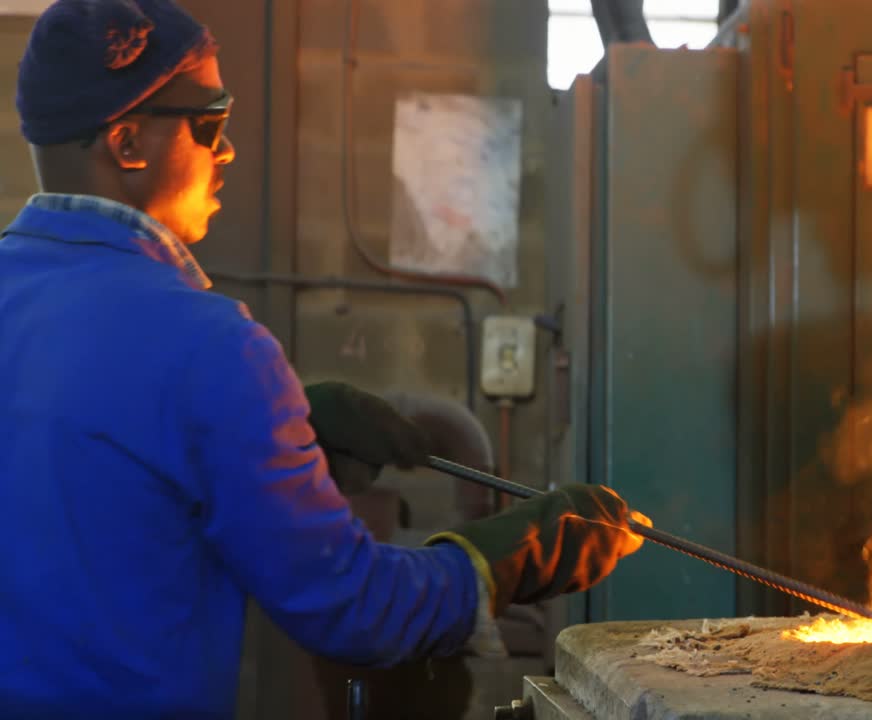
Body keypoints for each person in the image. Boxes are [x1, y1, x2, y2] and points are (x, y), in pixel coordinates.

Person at [0, 1, 646, 718]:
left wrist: (288, 415)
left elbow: (90, 454)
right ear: (126, 143)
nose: (228, 151)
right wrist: (506, 558)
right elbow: (356, 609)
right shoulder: (209, 345)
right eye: (210, 122)